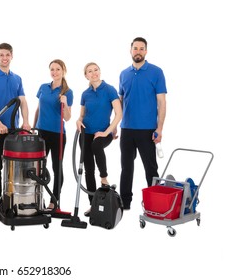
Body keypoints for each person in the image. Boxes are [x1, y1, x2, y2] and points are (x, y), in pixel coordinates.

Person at [118, 37, 167, 210]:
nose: (138, 51)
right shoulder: (124, 74)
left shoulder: (156, 72)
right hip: (126, 129)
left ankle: (156, 203)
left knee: (151, 168)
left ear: (146, 51)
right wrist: (114, 125)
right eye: (135, 48)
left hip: (147, 129)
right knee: (126, 168)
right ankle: (125, 202)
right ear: (130, 50)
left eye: (141, 48)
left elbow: (161, 102)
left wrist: (159, 128)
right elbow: (120, 101)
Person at [0, 42, 31, 201]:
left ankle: (10, 196)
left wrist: (26, 121)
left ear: (12, 56)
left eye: (7, 54)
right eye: (1, 55)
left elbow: (23, 101)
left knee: (13, 165)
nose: (4, 58)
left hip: (14, 130)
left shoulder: (17, 78)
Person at [76, 62, 122, 216]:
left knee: (97, 146)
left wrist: (107, 132)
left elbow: (119, 114)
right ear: (86, 75)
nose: (94, 73)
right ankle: (93, 205)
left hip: (104, 133)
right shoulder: (85, 94)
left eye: (96, 70)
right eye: (90, 71)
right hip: (85, 134)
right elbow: (82, 115)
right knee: (89, 170)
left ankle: (104, 178)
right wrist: (78, 120)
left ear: (100, 71)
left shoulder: (109, 90)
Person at [33, 59, 73, 210]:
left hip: (58, 135)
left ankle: (54, 200)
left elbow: (68, 118)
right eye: (52, 69)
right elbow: (38, 108)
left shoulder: (67, 92)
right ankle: (37, 199)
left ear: (63, 71)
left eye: (58, 69)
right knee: (38, 168)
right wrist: (33, 126)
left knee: (57, 168)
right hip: (41, 132)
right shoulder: (43, 87)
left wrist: (65, 103)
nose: (55, 72)